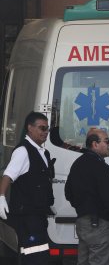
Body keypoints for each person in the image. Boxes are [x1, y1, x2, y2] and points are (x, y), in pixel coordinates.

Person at [65, 128, 109, 265]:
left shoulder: (77, 164)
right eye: (107, 141)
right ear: (95, 144)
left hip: (82, 223)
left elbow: (68, 192)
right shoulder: (100, 166)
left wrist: (83, 207)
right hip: (99, 226)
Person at [0, 111, 55, 265]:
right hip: (27, 217)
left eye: (47, 129)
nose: (46, 132)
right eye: (42, 128)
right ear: (30, 128)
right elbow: (8, 176)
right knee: (34, 258)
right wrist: (1, 197)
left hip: (37, 215)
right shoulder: (23, 151)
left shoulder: (42, 152)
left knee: (40, 256)